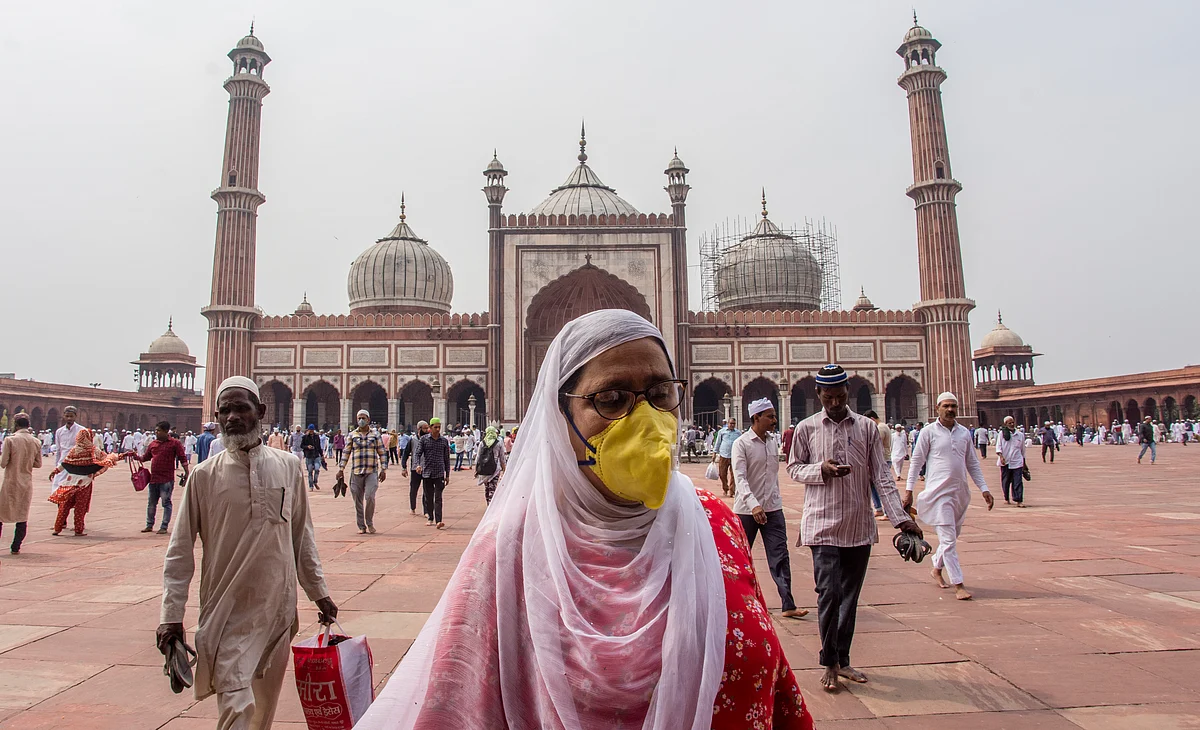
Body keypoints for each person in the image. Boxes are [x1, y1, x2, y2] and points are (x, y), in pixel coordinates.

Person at [353, 309, 812, 730]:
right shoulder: (512, 551)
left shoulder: (713, 524)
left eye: (660, 394)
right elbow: (456, 707)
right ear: (560, 418)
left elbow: (774, 684)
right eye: (611, 399)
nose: (645, 418)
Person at [158, 376, 337, 730]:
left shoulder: (288, 466)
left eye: (241, 408)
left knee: (262, 715)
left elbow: (301, 537)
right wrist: (171, 614)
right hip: (227, 610)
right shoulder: (204, 476)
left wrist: (319, 593)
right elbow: (179, 553)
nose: (233, 417)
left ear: (261, 411)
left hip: (276, 610)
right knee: (238, 704)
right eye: (225, 410)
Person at [787, 363, 923, 694]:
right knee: (829, 594)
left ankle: (842, 659)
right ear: (818, 394)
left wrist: (901, 519)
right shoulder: (806, 428)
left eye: (840, 396)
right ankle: (829, 662)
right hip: (821, 523)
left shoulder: (866, 429)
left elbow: (882, 477)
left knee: (849, 597)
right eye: (828, 397)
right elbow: (793, 468)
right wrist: (821, 470)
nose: (835, 402)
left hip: (858, 525)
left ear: (848, 391)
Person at [903, 393, 993, 601]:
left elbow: (972, 463)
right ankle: (959, 584)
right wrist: (909, 490)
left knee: (950, 539)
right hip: (938, 493)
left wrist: (984, 488)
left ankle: (936, 567)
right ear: (937, 408)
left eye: (954, 406)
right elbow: (916, 462)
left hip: (960, 493)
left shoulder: (963, 434)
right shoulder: (928, 433)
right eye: (946, 406)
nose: (950, 409)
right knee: (949, 540)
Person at [732, 398, 808, 621]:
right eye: (770, 417)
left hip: (773, 508)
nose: (774, 421)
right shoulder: (742, 444)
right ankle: (739, 603)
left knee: (780, 556)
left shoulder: (772, 441)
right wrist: (754, 504)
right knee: (741, 559)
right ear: (756, 418)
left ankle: (788, 603)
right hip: (747, 510)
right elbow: (740, 478)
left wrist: (771, 503)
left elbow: (773, 478)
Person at [48, 429, 122, 537]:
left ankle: (57, 528)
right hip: (85, 483)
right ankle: (78, 530)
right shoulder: (92, 450)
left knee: (64, 506)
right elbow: (106, 458)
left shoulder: (74, 450)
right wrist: (118, 457)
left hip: (69, 482)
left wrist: (55, 471)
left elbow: (65, 463)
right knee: (80, 507)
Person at [127, 421, 189, 535]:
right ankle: (149, 525)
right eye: (156, 430)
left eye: (158, 430)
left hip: (166, 479)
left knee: (166, 503)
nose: (156, 432)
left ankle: (164, 526)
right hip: (154, 478)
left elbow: (182, 458)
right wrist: (135, 457)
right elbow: (145, 457)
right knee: (151, 503)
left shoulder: (174, 443)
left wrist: (187, 473)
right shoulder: (153, 444)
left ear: (166, 431)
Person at [337, 409, 388, 535]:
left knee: (370, 496)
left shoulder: (375, 435)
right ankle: (361, 525)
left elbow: (381, 452)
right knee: (357, 500)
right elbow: (346, 452)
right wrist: (341, 469)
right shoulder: (352, 435)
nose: (361, 420)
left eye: (363, 418)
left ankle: (369, 522)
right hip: (356, 471)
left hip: (371, 471)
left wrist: (383, 469)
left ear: (368, 420)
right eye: (359, 418)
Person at [0, 413, 40, 556]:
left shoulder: (10, 440)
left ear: (16, 425)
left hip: (11, 481)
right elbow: (38, 463)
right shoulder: (36, 442)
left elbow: (3, 463)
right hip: (26, 482)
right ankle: (16, 547)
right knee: (22, 516)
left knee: (1, 515)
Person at [414, 417, 451, 529]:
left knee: (438, 497)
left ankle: (439, 520)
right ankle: (430, 517)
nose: (438, 429)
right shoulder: (424, 440)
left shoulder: (444, 441)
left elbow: (446, 458)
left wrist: (447, 474)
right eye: (435, 427)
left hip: (439, 472)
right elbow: (417, 454)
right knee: (429, 497)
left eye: (439, 427)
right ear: (430, 428)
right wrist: (417, 465)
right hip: (427, 472)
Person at [864, 410, 890, 520]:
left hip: (882, 459)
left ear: (872, 419)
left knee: (882, 485)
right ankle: (878, 508)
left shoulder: (880, 427)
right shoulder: (883, 426)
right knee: (873, 485)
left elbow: (874, 444)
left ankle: (888, 512)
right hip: (882, 458)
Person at [51, 406, 84, 490]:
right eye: (67, 416)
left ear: (76, 416)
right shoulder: (59, 432)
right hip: (62, 464)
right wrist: (57, 466)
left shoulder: (82, 431)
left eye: (71, 416)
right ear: (64, 416)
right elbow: (58, 451)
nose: (69, 418)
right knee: (57, 490)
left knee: (72, 491)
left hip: (76, 466)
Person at [996, 416, 1026, 506]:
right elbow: (999, 446)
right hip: (1005, 461)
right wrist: (1001, 457)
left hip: (1017, 461)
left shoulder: (1020, 435)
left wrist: (1024, 463)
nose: (1012, 424)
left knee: (1018, 481)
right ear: (1006, 424)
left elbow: (1023, 450)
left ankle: (1018, 500)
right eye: (1010, 423)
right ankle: (1006, 497)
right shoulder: (1001, 434)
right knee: (1006, 481)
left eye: (1013, 422)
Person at [401, 421, 429, 517]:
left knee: (427, 490)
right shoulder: (412, 440)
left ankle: (426, 511)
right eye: (425, 428)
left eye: (427, 428)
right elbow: (405, 454)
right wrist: (404, 467)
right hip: (415, 468)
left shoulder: (429, 439)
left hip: (426, 468)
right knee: (414, 489)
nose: (427, 430)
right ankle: (412, 508)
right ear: (419, 429)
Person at [474, 424, 506, 503]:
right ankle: (491, 504)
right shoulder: (499, 443)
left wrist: (476, 469)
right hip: (495, 468)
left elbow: (478, 457)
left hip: (484, 468)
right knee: (493, 487)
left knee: (487, 487)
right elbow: (502, 457)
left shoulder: (482, 443)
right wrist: (504, 467)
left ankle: (488, 502)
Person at [711, 417, 742, 497]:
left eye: (733, 424)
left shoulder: (738, 433)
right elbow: (718, 442)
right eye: (731, 423)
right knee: (722, 474)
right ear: (727, 423)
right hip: (723, 455)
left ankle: (732, 491)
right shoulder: (722, 432)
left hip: (734, 456)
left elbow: (741, 444)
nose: (732, 425)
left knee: (734, 474)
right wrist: (714, 453)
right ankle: (725, 488)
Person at [301, 424, 323, 491]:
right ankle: (311, 486)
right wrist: (307, 447)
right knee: (310, 471)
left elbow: (319, 447)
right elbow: (301, 445)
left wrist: (322, 455)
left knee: (317, 469)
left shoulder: (316, 437)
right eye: (310, 430)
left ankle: (315, 481)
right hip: (309, 456)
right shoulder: (305, 437)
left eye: (312, 430)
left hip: (316, 455)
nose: (311, 431)